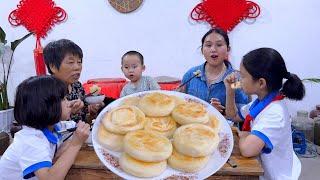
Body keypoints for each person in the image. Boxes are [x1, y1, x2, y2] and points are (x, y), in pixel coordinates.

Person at [224, 48, 304, 180]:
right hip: (264, 167)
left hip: (276, 176)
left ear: (261, 83)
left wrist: (245, 134)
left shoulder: (274, 113)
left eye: (243, 76)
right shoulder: (264, 100)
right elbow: (233, 116)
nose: (239, 80)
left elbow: (247, 150)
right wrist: (230, 90)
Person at [0, 76, 90, 179]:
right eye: (64, 99)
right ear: (47, 107)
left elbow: (77, 128)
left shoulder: (54, 126)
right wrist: (75, 144)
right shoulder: (31, 139)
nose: (69, 103)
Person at [181, 28, 249, 114]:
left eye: (219, 45)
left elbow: (242, 112)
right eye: (208, 45)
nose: (213, 49)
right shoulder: (191, 74)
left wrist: (221, 112)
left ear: (228, 49)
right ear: (202, 50)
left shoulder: (237, 78)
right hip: (195, 125)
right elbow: (181, 105)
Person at [43, 39, 113, 122]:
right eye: (71, 62)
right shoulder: (45, 92)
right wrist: (69, 113)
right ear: (53, 67)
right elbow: (46, 128)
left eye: (79, 62)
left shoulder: (77, 86)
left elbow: (84, 121)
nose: (77, 67)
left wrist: (92, 113)